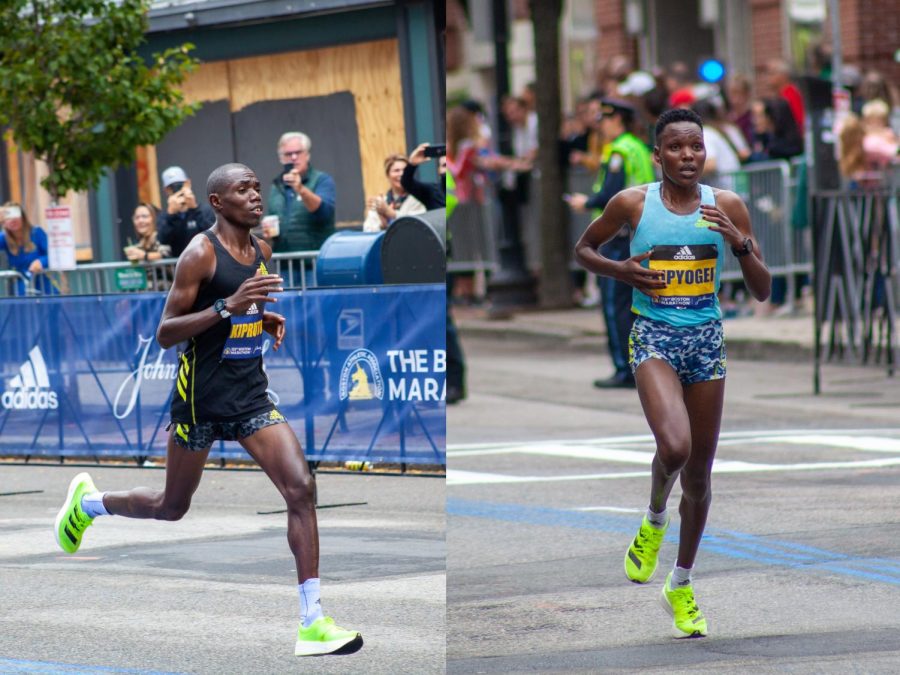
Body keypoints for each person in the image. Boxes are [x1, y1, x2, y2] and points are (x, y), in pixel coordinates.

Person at [53, 163, 362, 657]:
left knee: (301, 488)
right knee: (170, 508)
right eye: (243, 189)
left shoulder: (262, 248)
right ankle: (89, 503)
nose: (256, 196)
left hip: (250, 396)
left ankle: (312, 620)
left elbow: (241, 305)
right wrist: (229, 307)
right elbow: (166, 332)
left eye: (258, 187)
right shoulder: (199, 253)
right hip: (199, 401)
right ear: (218, 202)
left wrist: (261, 318)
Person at [574, 108, 771, 639]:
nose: (689, 156)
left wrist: (740, 243)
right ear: (658, 155)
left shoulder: (725, 205)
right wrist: (621, 270)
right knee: (676, 447)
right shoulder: (631, 204)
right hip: (655, 337)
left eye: (696, 147)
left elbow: (761, 288)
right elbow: (584, 248)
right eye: (677, 148)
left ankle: (680, 583)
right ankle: (655, 517)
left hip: (706, 340)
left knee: (701, 477)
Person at [566, 99, 655, 389]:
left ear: (616, 120)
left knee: (614, 305)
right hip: (639, 234)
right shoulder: (638, 147)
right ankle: (640, 365)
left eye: (603, 120)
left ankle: (624, 368)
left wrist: (586, 202)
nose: (600, 126)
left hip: (618, 238)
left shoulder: (619, 150)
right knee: (635, 306)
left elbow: (611, 194)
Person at [263, 131, 336, 253]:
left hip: (315, 260)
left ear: (307, 155)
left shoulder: (322, 180)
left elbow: (324, 213)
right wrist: (267, 232)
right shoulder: (276, 185)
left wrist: (301, 189)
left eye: (298, 152)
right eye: (288, 154)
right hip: (285, 262)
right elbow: (273, 218)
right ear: (281, 158)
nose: (293, 157)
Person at [156, 166, 215, 258]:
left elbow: (213, 236)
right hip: (181, 268)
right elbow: (163, 241)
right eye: (171, 187)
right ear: (166, 191)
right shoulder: (165, 217)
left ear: (188, 184)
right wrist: (171, 215)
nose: (177, 189)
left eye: (180, 185)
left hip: (206, 264)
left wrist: (194, 209)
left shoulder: (205, 210)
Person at [0, 202, 58, 296]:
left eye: (16, 215)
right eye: (8, 217)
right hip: (22, 290)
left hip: (45, 286)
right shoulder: (3, 238)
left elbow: (54, 254)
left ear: (23, 217)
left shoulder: (36, 232)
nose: (13, 220)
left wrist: (41, 262)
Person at [363, 153, 427, 232]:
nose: (401, 174)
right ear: (387, 175)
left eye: (405, 171)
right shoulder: (381, 202)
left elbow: (419, 225)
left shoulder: (419, 198)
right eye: (396, 170)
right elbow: (367, 230)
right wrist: (383, 225)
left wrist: (391, 213)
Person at [401, 142, 447, 210]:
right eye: (444, 165)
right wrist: (412, 164)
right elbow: (407, 182)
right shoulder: (432, 192)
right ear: (439, 170)